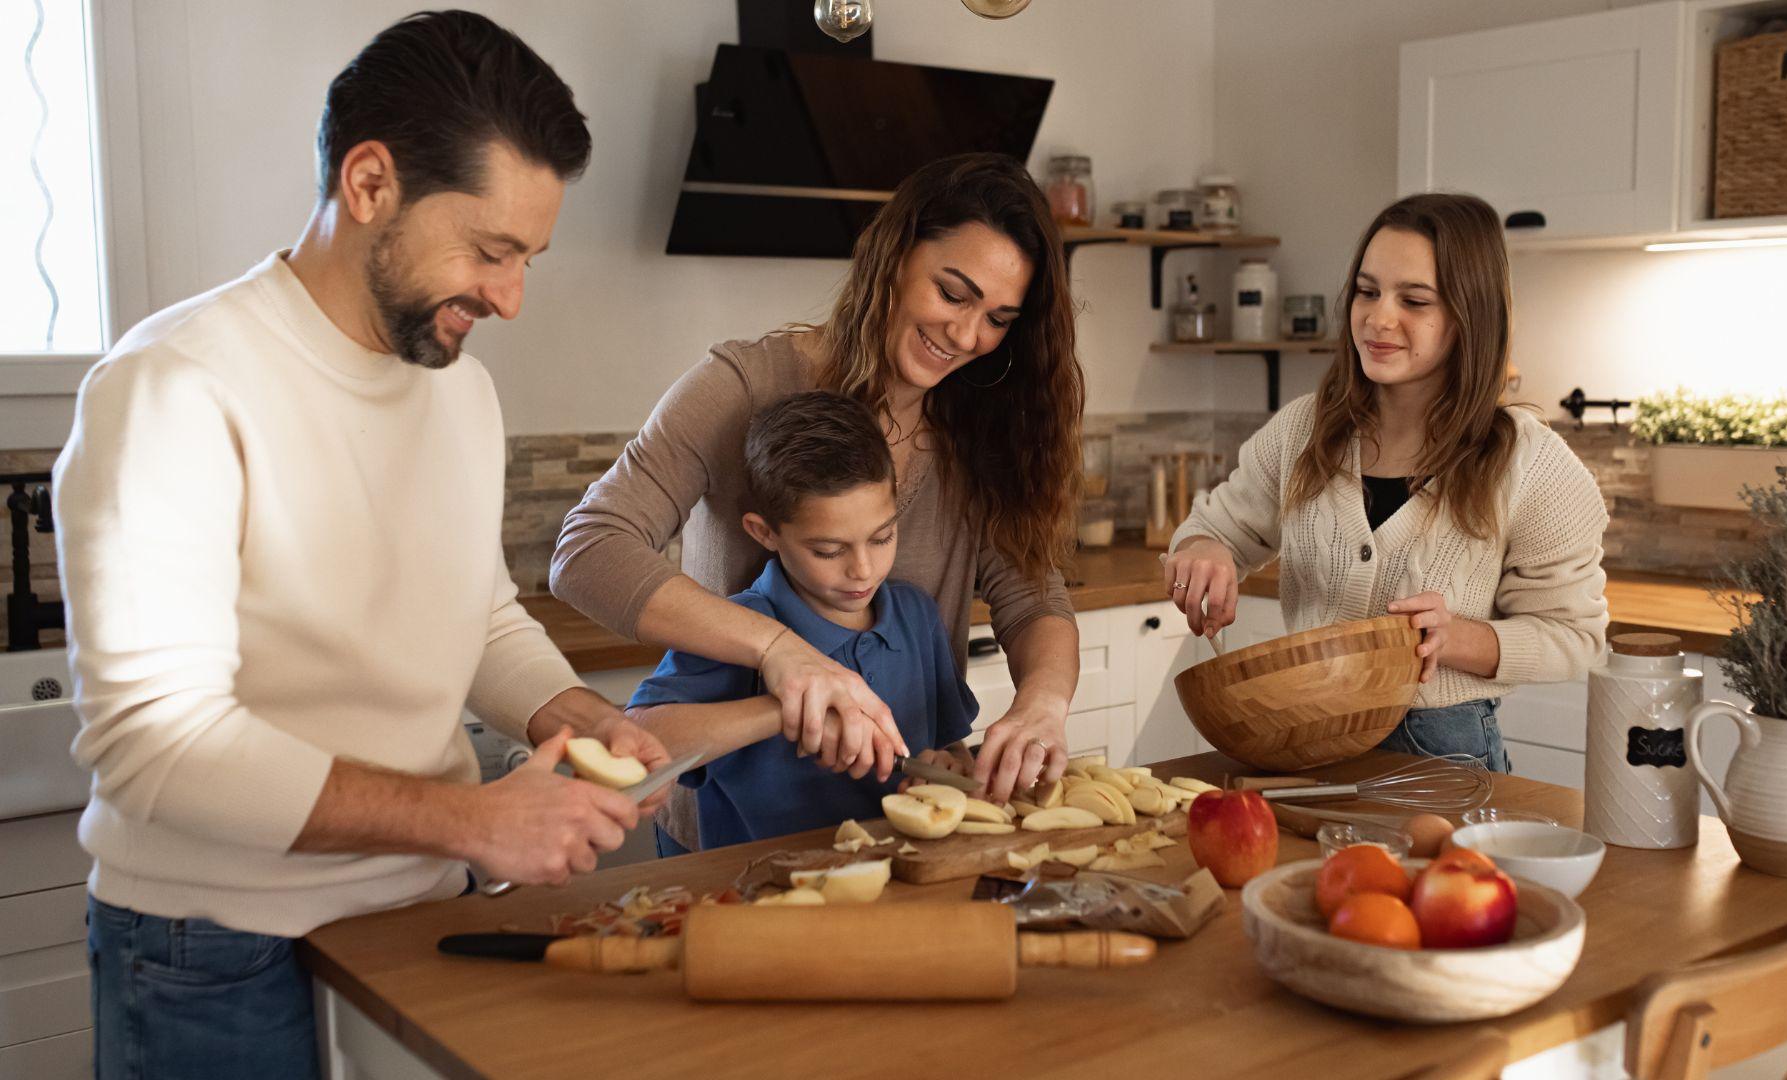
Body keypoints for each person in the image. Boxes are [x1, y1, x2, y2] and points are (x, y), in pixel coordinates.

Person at [53, 13, 670, 1077]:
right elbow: (154, 746)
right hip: (216, 950)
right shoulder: (175, 388)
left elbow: (474, 616)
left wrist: (570, 711)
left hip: (415, 914)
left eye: (527, 258)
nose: (511, 298)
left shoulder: (458, 393)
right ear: (371, 182)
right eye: (490, 250)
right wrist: (474, 821)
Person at [552, 151, 1084, 853]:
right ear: (892, 257)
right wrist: (780, 652)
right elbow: (589, 551)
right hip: (732, 841)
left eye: (998, 318)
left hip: (895, 836)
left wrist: (1042, 704)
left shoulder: (982, 425)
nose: (966, 336)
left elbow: (1034, 598)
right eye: (953, 293)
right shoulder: (744, 384)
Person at [1161, 193, 1608, 772]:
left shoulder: (1530, 464)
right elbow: (1212, 529)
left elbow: (1576, 638)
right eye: (1368, 291)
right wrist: (1203, 554)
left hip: (1442, 752)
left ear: (1470, 315)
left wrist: (1455, 637)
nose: (1378, 318)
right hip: (1299, 736)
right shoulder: (1303, 430)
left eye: (1414, 299)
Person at [625, 392, 978, 848]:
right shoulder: (737, 628)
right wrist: (784, 710)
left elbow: (948, 747)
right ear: (765, 532)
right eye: (828, 551)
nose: (863, 570)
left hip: (894, 884)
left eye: (882, 537)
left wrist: (945, 769)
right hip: (761, 893)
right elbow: (640, 739)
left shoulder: (916, 615)